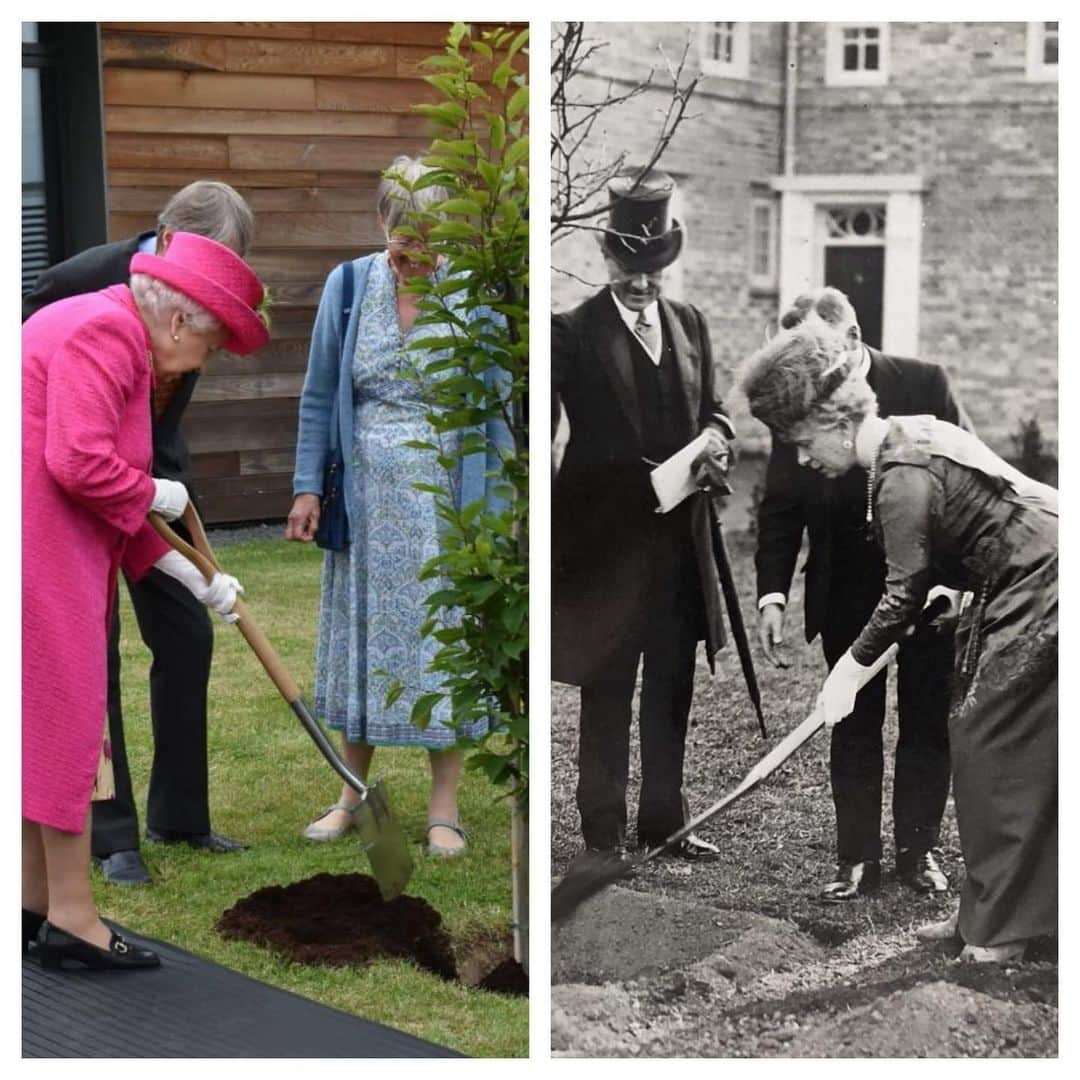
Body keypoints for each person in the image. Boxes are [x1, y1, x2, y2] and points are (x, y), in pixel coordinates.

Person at [740, 323, 1057, 961]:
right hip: (1019, 576)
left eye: (802, 444)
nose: (802, 461)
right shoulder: (906, 436)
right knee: (991, 748)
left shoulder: (898, 472)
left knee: (993, 749)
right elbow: (972, 522)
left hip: (1045, 582)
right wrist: (957, 584)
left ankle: (1005, 932)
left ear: (832, 422)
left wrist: (845, 675)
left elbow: (902, 592)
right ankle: (987, 915)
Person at [23, 232, 269, 970]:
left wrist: (195, 576)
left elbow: (107, 498)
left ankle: (31, 904)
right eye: (213, 343)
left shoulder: (96, 321)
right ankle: (73, 919)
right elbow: (79, 465)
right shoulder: (108, 335)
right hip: (40, 551)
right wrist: (155, 489)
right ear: (177, 323)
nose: (207, 360)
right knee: (67, 730)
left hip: (48, 540)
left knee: (36, 729)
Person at [286, 156, 508, 856]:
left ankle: (445, 804)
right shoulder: (348, 285)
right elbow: (321, 394)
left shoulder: (475, 296)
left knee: (441, 649)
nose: (416, 252)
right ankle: (352, 792)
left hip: (447, 507)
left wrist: (497, 512)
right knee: (361, 645)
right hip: (364, 502)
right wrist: (305, 486)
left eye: (430, 238)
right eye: (404, 237)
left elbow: (496, 411)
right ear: (383, 223)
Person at [754, 287, 965, 900]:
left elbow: (963, 475)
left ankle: (917, 851)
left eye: (820, 352)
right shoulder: (800, 399)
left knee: (926, 720)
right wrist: (772, 594)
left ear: (852, 336)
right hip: (845, 589)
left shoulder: (925, 382)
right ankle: (857, 861)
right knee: (851, 719)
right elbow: (780, 503)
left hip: (928, 592)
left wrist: (950, 581)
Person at [551, 166, 735, 864]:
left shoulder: (691, 325)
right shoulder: (571, 333)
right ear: (607, 258)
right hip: (605, 546)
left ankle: (665, 822)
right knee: (608, 690)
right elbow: (546, 433)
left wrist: (719, 438)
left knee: (670, 685)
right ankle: (602, 835)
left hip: (677, 547)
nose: (642, 283)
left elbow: (713, 410)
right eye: (629, 267)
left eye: (654, 269)